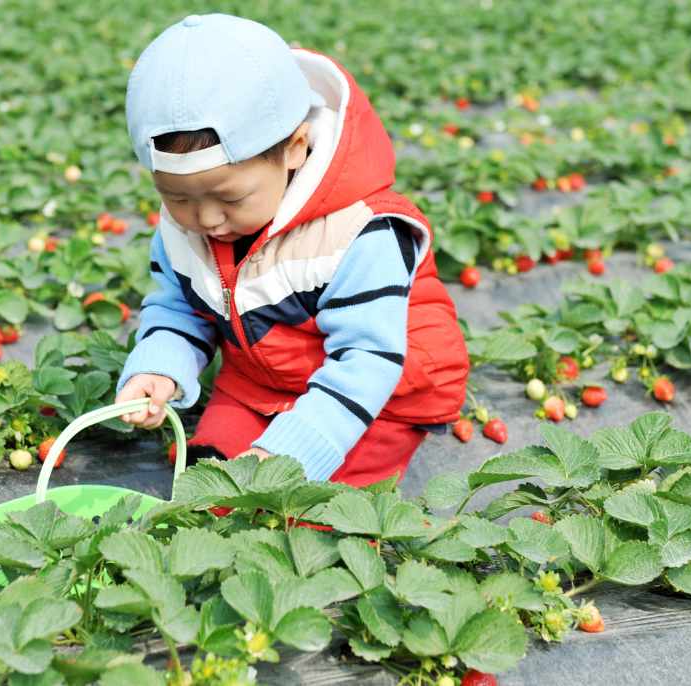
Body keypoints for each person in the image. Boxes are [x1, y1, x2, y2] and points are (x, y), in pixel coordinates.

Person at [113, 13, 469, 487]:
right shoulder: (187, 229)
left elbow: (367, 359)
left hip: (385, 390)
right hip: (262, 380)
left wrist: (296, 449)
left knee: (298, 509)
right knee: (210, 485)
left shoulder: (360, 233)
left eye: (231, 198)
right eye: (178, 198)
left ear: (295, 148)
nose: (207, 219)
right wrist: (161, 368)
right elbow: (181, 309)